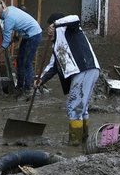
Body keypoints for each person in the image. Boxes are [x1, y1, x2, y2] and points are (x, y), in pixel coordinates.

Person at [36, 12, 101, 146]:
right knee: (81, 108)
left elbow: (75, 18)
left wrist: (56, 24)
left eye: (51, 28)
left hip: (84, 69)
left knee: (73, 107)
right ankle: (83, 139)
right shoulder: (57, 45)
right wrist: (41, 79)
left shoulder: (71, 29)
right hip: (88, 70)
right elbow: (53, 66)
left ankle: (74, 143)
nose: (50, 31)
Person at [0, 1, 43, 98]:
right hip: (27, 35)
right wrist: (16, 35)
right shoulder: (10, 9)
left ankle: (29, 89)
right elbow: (19, 22)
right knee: (20, 61)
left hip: (34, 35)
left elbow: (5, 43)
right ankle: (20, 87)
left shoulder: (8, 20)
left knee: (27, 62)